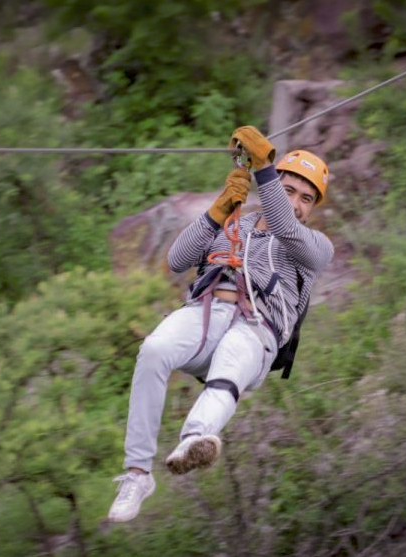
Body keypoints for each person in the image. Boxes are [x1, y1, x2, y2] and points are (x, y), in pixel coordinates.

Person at [107, 126, 335, 523]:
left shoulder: (312, 245)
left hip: (257, 331)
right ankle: (137, 474)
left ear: (313, 207)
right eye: (289, 189)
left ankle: (195, 438)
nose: (296, 203)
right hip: (206, 315)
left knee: (232, 359)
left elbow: (283, 225)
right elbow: (177, 259)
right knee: (154, 350)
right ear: (274, 186)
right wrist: (219, 209)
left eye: (306, 197)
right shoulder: (236, 225)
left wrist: (265, 170)